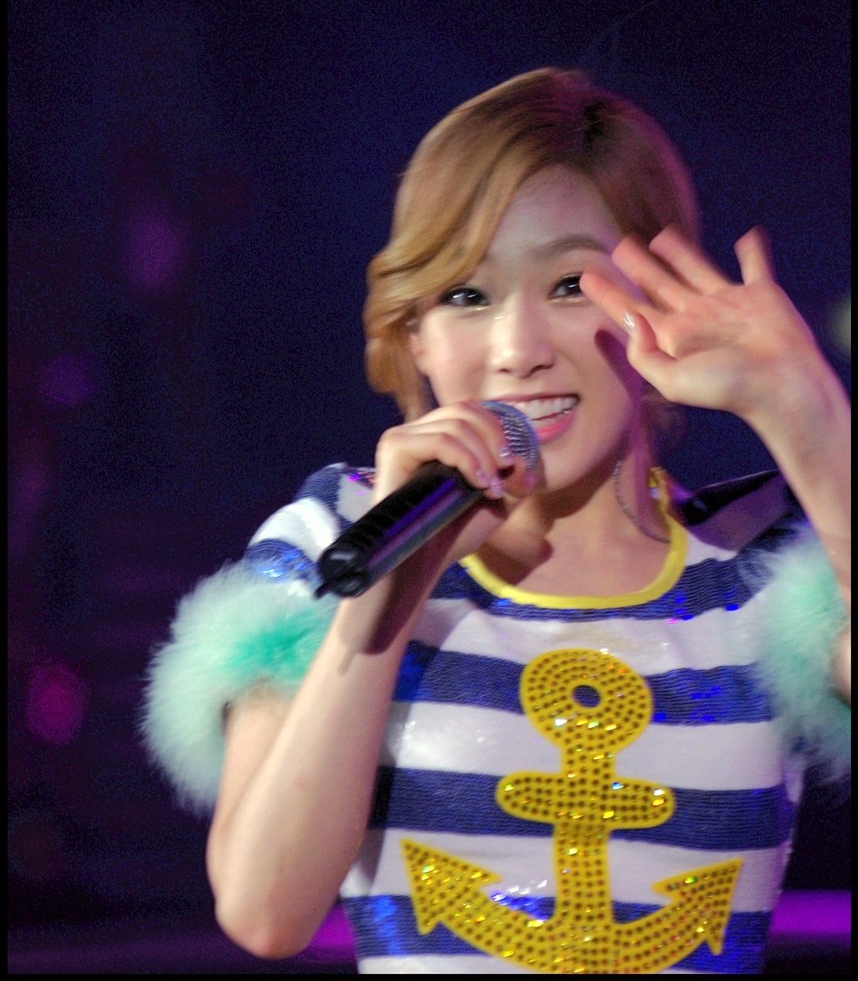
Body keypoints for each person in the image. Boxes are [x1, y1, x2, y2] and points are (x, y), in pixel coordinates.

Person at [141, 69, 850, 975]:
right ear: (415, 334)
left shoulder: (766, 557)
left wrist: (812, 418)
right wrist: (385, 603)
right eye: (468, 296)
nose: (519, 350)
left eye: (570, 284)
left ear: (663, 301)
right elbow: (265, 910)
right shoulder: (337, 539)